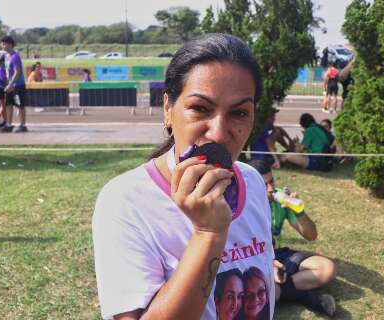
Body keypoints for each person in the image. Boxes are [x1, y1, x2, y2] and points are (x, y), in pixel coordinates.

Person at [92, 34, 275, 320]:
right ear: (168, 109)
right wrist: (208, 233)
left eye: (239, 112)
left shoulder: (251, 181)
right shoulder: (125, 202)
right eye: (200, 108)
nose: (218, 132)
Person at [248, 159, 336, 317]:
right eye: (264, 185)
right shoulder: (244, 206)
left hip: (278, 254)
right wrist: (269, 263)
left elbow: (311, 235)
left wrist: (298, 211)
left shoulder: (280, 198)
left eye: (272, 181)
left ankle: (281, 291)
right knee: (256, 293)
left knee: (326, 269)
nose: (271, 188)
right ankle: (307, 297)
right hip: (254, 258)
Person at [0, 36, 28, 133]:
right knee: (8, 105)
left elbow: (17, 72)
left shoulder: (15, 56)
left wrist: (10, 84)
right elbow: (8, 72)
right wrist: (7, 84)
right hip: (10, 86)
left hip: (18, 86)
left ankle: (23, 125)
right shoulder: (6, 56)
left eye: (5, 44)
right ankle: (9, 125)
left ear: (10, 44)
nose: (3, 46)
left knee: (20, 105)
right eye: (2, 44)